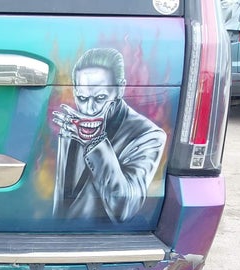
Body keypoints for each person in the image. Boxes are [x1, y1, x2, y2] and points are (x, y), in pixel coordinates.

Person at [52, 48, 166, 223]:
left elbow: (124, 208)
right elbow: (62, 199)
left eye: (100, 98)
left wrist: (95, 143)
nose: (89, 110)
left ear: (120, 89)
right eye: (82, 98)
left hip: (108, 236)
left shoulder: (148, 135)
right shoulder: (72, 125)